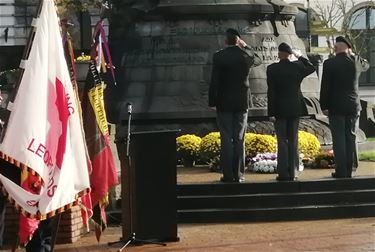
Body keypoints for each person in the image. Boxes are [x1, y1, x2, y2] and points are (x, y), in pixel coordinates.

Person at [209, 28, 262, 183]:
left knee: (226, 138)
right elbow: (258, 59)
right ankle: (239, 174)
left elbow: (214, 81)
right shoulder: (245, 56)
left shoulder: (219, 56)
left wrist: (212, 102)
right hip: (241, 102)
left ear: (226, 41)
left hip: (224, 102)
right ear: (238, 41)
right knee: (239, 138)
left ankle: (227, 175)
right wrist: (245, 46)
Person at [320, 36, 369, 178]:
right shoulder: (355, 61)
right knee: (351, 137)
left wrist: (324, 105)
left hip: (335, 107)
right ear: (348, 48)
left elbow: (325, 87)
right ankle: (352, 168)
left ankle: (341, 171)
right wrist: (354, 54)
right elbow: (366, 65)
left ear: (336, 48)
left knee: (339, 139)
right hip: (353, 106)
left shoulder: (329, 63)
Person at [267, 42, 315, 181]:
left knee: (282, 141)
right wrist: (300, 57)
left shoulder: (272, 69)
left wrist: (271, 113)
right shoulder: (298, 67)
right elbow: (311, 67)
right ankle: (293, 172)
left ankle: (283, 173)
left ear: (279, 54)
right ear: (289, 54)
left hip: (279, 110)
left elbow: (271, 92)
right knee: (293, 139)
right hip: (295, 108)